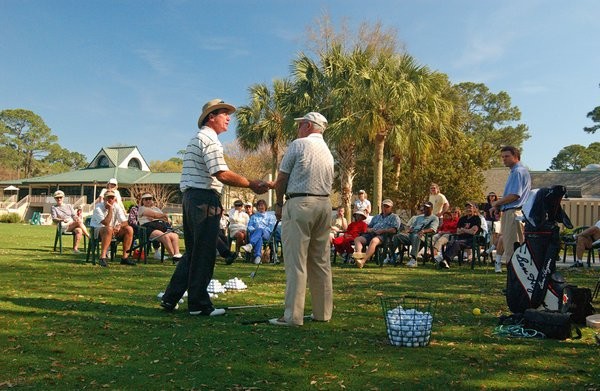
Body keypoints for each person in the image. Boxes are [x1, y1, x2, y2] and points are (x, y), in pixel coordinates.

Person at [159, 98, 269, 317]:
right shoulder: (209, 139)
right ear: (211, 117)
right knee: (204, 253)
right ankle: (199, 304)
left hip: (192, 198)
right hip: (203, 199)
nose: (229, 118)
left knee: (193, 252)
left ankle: (171, 297)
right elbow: (222, 173)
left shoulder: (198, 138)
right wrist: (251, 183)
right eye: (224, 113)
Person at [270, 111, 334, 326]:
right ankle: (322, 313)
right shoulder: (328, 151)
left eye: (300, 125)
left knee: (296, 262)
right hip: (324, 205)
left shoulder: (299, 144)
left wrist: (279, 203)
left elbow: (282, 178)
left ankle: (292, 316)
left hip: (300, 203)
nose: (298, 128)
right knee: (320, 261)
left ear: (308, 126)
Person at [490, 146, 531, 273]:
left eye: (507, 156)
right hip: (509, 212)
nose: (504, 159)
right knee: (509, 247)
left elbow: (514, 195)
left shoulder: (518, 171)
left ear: (516, 156)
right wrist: (499, 206)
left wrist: (497, 203)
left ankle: (515, 282)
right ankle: (513, 281)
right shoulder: (515, 172)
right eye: (502, 157)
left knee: (513, 249)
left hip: (514, 212)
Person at [90, 189, 135, 267]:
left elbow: (125, 221)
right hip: (97, 231)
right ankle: (103, 257)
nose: (110, 199)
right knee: (108, 229)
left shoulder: (117, 206)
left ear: (115, 199)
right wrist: (110, 209)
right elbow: (106, 223)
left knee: (129, 229)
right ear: (104, 199)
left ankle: (125, 257)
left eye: (112, 198)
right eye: (108, 197)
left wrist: (119, 226)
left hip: (112, 230)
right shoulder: (98, 208)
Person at [353, 199, 401, 268]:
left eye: (387, 206)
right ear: (381, 207)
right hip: (372, 234)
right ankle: (359, 258)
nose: (385, 208)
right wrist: (370, 230)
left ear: (391, 208)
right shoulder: (376, 217)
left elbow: (394, 230)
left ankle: (362, 261)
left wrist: (383, 231)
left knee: (374, 241)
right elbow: (368, 228)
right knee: (357, 239)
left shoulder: (394, 217)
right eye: (384, 206)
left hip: (385, 236)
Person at [390, 201, 439, 267]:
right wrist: (409, 230)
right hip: (412, 234)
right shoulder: (419, 217)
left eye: (427, 208)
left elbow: (433, 229)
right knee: (397, 236)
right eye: (424, 207)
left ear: (431, 209)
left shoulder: (434, 218)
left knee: (416, 236)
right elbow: (413, 227)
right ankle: (392, 256)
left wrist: (424, 231)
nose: (425, 209)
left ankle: (413, 259)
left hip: (424, 237)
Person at [434, 202, 481, 269]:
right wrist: (467, 230)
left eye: (470, 207)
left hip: (471, 240)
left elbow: (473, 232)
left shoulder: (476, 219)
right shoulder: (462, 219)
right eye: (467, 208)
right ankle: (446, 262)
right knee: (450, 242)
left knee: (456, 243)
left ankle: (444, 260)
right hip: (460, 238)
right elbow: (458, 231)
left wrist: (463, 229)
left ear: (474, 209)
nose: (468, 209)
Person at [137, 193, 182, 261]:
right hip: (148, 228)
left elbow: (166, 220)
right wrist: (163, 216)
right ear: (142, 201)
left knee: (174, 236)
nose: (148, 201)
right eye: (146, 199)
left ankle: (177, 254)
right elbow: (155, 215)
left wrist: (161, 217)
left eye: (150, 199)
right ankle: (174, 257)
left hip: (159, 226)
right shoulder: (141, 209)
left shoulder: (156, 208)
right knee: (164, 236)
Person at [240, 199, 277, 264]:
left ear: (265, 206)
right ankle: (258, 258)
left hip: (267, 234)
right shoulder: (253, 217)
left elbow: (271, 227)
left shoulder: (270, 216)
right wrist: (255, 230)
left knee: (260, 230)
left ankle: (250, 245)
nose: (261, 207)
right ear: (257, 207)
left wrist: (261, 230)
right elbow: (249, 227)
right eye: (259, 206)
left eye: (262, 205)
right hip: (255, 234)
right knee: (259, 238)